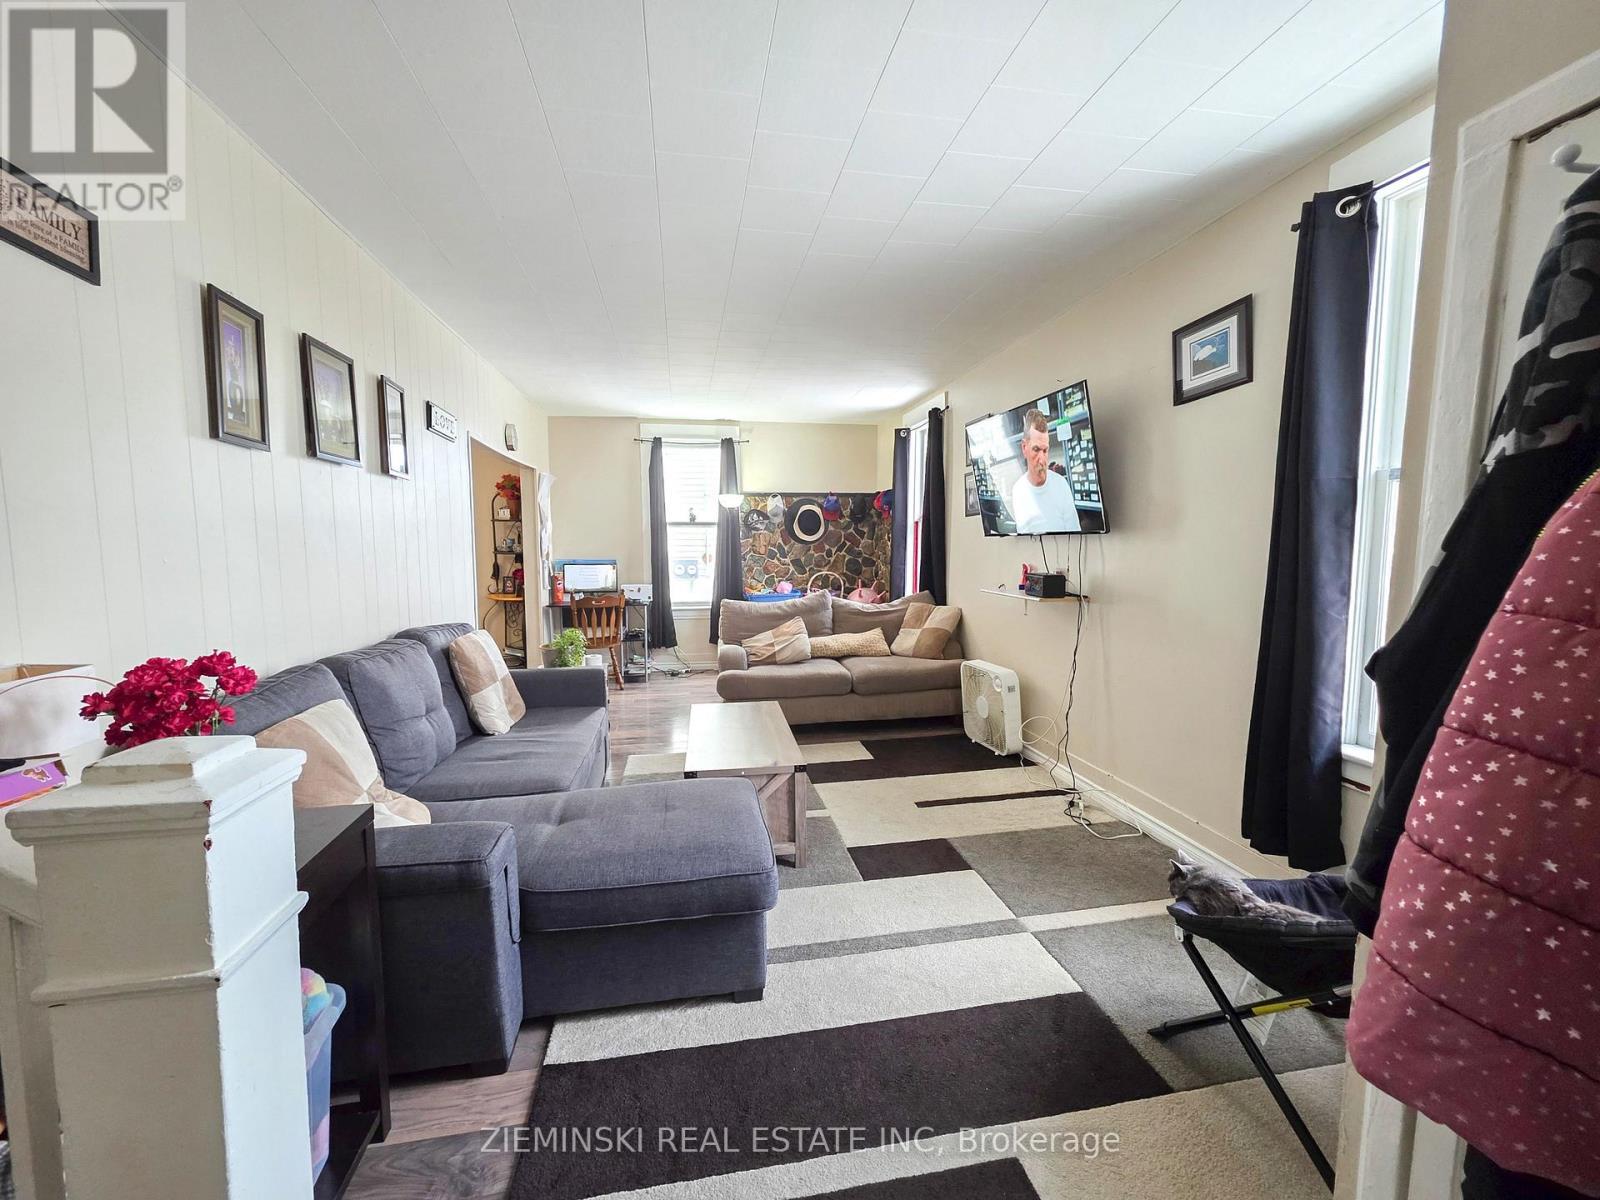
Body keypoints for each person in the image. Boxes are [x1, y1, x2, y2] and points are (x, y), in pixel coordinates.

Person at [1009, 408, 1080, 533]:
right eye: (1036, 449)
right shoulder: (1018, 491)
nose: (1042, 459)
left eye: (1045, 450)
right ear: (1024, 447)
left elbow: (1075, 535)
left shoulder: (1061, 485)